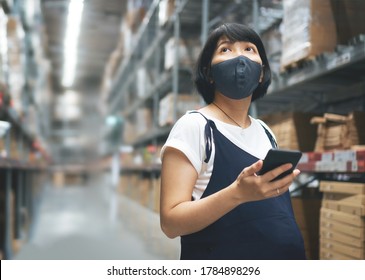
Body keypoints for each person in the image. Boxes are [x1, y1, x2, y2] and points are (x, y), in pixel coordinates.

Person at [159, 23, 306, 260]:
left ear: (261, 73)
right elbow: (171, 223)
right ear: (209, 73)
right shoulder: (196, 126)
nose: (239, 58)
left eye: (249, 49)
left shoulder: (265, 131)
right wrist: (237, 193)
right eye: (226, 50)